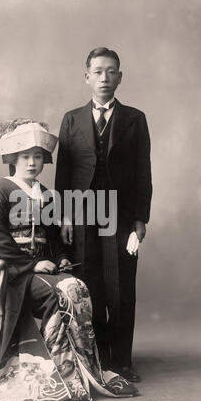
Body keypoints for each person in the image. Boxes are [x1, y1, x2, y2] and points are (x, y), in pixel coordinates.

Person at [0, 118, 138, 401]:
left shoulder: (46, 195)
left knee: (77, 288)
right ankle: (62, 375)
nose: (32, 163)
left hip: (43, 267)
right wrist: (30, 265)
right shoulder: (1, 189)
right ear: (13, 158)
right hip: (15, 273)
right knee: (56, 295)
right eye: (25, 156)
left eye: (38, 157)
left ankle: (86, 370)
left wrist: (62, 257)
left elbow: (55, 238)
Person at [55, 48, 152, 383]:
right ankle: (93, 357)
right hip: (82, 215)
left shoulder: (135, 119)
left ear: (120, 77)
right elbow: (63, 173)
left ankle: (122, 360)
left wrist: (140, 220)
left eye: (111, 72)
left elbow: (143, 172)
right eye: (97, 72)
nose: (104, 78)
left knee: (121, 287)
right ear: (86, 77)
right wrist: (64, 217)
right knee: (89, 284)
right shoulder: (71, 119)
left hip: (121, 215)